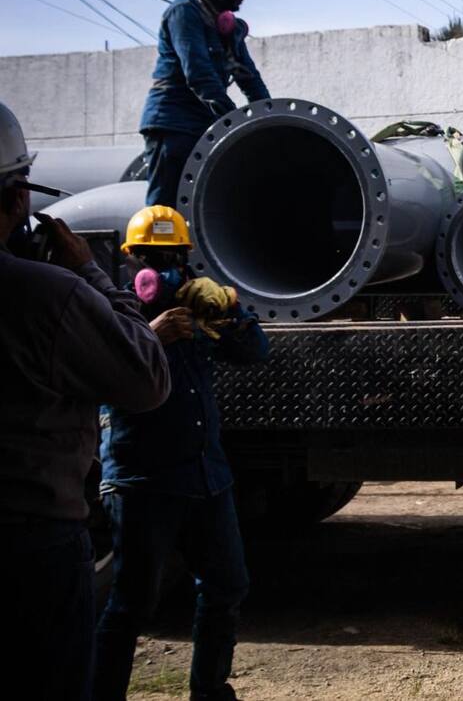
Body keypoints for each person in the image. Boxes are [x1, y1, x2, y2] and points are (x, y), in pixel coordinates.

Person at [0, 101, 170, 701]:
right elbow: (144, 376)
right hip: (32, 545)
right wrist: (94, 279)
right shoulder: (45, 296)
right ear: (18, 196)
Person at [94, 205, 269, 701]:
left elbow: (256, 353)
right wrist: (152, 335)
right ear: (132, 262)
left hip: (205, 476)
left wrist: (231, 311)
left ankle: (209, 692)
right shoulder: (117, 309)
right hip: (143, 481)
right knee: (131, 603)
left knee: (227, 586)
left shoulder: (199, 308)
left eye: (174, 257)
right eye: (153, 257)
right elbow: (101, 374)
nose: (166, 270)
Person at [140, 0, 270, 206]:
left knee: (203, 202)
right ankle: (155, 248)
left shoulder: (230, 29)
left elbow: (250, 79)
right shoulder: (184, 13)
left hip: (204, 121)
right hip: (173, 122)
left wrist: (269, 118)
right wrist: (234, 121)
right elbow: (199, 74)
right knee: (166, 206)